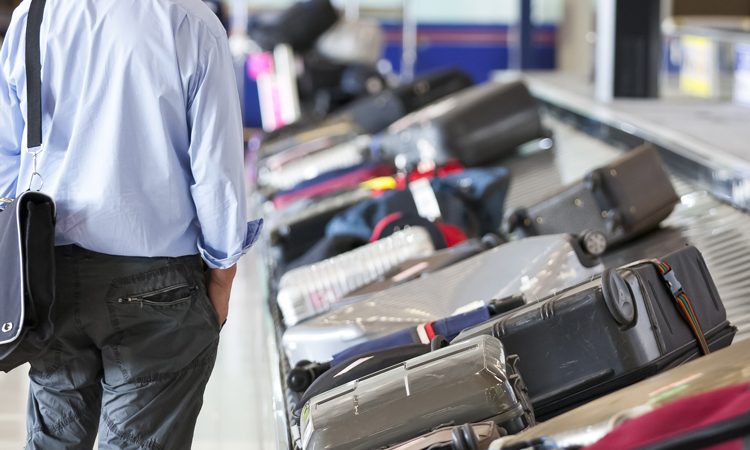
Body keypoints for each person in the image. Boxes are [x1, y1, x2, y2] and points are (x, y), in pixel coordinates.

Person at [0, 0, 262, 448]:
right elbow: (216, 173)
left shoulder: (33, 16)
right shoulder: (190, 22)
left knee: (53, 438)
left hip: (50, 278)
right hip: (158, 284)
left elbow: (7, 163)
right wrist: (222, 274)